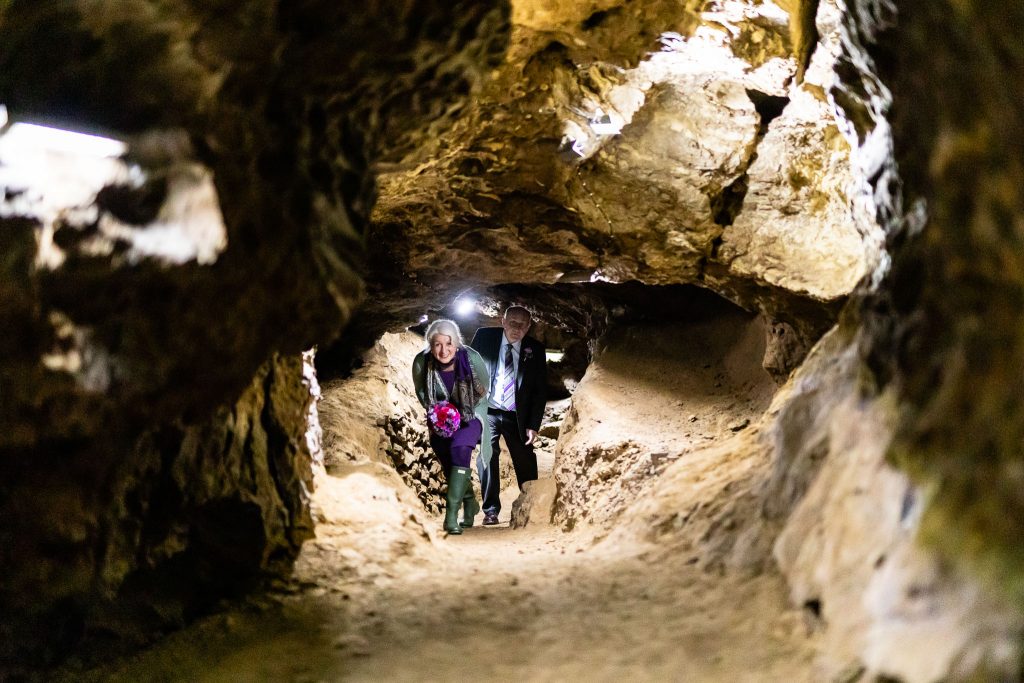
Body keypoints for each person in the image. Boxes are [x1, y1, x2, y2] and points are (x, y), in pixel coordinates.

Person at [412, 319, 492, 535]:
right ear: (431, 344)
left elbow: (485, 388)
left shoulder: (471, 358)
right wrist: (438, 413)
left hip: (471, 416)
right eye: (437, 344)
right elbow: (421, 391)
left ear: (456, 343)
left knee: (460, 450)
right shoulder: (422, 361)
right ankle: (470, 503)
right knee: (450, 464)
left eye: (448, 344)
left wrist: (463, 410)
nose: (443, 350)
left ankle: (451, 516)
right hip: (440, 421)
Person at [470, 306, 547, 526]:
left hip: (517, 414)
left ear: (529, 326)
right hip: (489, 410)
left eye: (522, 324)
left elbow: (540, 391)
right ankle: (491, 510)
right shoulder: (484, 338)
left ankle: (530, 503)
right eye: (512, 322)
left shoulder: (536, 349)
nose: (516, 328)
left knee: (525, 461)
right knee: (487, 455)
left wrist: (533, 425)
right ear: (502, 321)